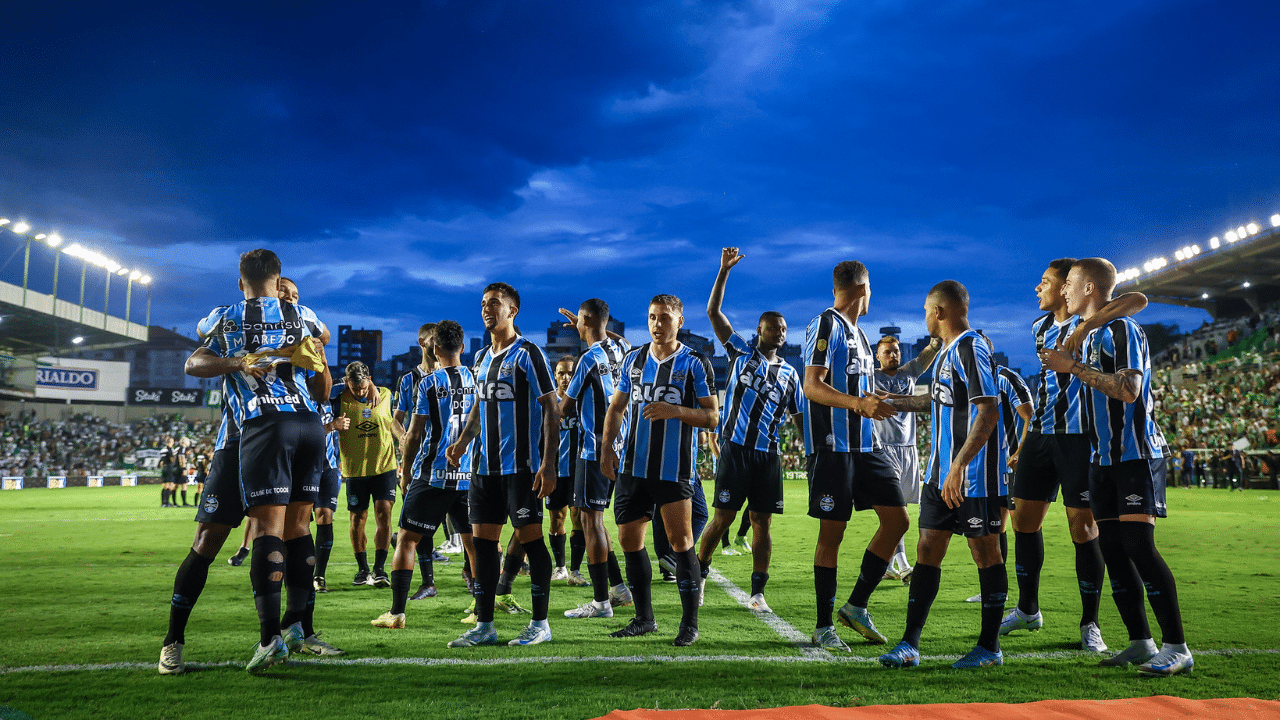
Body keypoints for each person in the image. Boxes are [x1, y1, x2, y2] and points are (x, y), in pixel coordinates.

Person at [183, 249, 333, 673]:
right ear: (279, 277)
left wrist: (241, 359)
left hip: (262, 426)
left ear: (240, 280)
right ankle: (298, 628)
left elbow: (196, 357)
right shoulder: (304, 315)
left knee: (265, 530)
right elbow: (320, 341)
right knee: (299, 528)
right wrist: (293, 349)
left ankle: (270, 639)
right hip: (309, 424)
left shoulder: (223, 316)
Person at [1040, 258, 1192, 677]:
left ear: (1089, 287)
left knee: (1139, 546)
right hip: (1100, 458)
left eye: (1069, 283)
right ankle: (1141, 641)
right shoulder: (1086, 334)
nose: (1064, 291)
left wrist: (1073, 368)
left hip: (1134, 454)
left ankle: (1177, 646)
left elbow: (1129, 389)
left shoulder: (1123, 329)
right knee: (1111, 548)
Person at [1003, 259, 1147, 652]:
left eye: (1046, 282)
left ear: (1069, 286)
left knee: (1083, 529)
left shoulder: (1094, 321)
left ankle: (1090, 623)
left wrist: (1084, 325)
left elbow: (1136, 298)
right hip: (1040, 436)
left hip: (1079, 439)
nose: (1039, 288)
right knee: (1023, 523)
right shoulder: (1040, 328)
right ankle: (1028, 609)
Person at [878, 280, 1006, 670]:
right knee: (927, 550)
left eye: (925, 311)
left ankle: (989, 648)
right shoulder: (948, 353)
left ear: (939, 312)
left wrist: (960, 465)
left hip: (971, 477)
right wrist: (893, 402)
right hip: (940, 475)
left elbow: (988, 411)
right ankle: (909, 644)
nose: (924, 317)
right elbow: (935, 402)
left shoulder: (969, 346)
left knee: (985, 552)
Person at [444, 282, 561, 648]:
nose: (487, 309)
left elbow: (552, 408)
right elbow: (480, 406)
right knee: (482, 547)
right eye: (483, 303)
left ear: (513, 311)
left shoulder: (529, 354)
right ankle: (485, 626)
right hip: (483, 469)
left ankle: (540, 623)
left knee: (532, 542)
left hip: (521, 468)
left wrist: (549, 462)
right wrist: (463, 440)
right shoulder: (479, 358)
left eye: (495, 303)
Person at [599, 294, 719, 646]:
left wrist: (675, 411)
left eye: (665, 317)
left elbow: (712, 416)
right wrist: (607, 451)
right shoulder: (634, 359)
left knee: (681, 544)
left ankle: (689, 624)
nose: (657, 324)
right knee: (628, 541)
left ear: (680, 321)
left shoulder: (696, 363)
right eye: (652, 317)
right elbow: (617, 408)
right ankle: (644, 619)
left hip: (673, 468)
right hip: (633, 467)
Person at [802, 261, 904, 651]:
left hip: (866, 444)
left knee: (897, 521)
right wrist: (857, 404)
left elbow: (859, 393)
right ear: (864, 288)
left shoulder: (860, 335)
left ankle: (856, 605)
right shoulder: (825, 325)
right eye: (872, 290)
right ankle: (823, 626)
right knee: (834, 533)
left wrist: (876, 402)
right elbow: (812, 386)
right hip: (833, 446)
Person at [696, 247, 803, 614]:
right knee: (723, 517)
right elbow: (713, 313)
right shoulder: (741, 353)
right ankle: (701, 575)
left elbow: (799, 416)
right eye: (773, 327)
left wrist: (810, 452)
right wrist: (723, 270)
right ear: (760, 330)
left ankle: (758, 592)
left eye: (784, 329)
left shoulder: (790, 374)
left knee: (761, 522)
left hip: (768, 454)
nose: (780, 332)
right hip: (736, 448)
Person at [373, 320, 479, 629]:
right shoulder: (475, 378)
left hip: (432, 474)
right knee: (475, 545)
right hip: (468, 476)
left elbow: (415, 434)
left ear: (435, 348)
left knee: (406, 539)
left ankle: (396, 613)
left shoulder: (429, 383)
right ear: (461, 346)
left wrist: (405, 472)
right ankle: (480, 610)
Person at [558, 299, 633, 617]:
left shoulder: (588, 360)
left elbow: (564, 407)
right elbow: (617, 338)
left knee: (591, 523)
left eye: (580, 322)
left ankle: (601, 602)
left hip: (593, 451)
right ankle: (618, 589)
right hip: (620, 449)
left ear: (586, 321)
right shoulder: (623, 350)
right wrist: (590, 325)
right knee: (597, 523)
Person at [872, 334, 942, 583]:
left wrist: (937, 339)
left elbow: (928, 353)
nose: (893, 355)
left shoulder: (908, 373)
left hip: (909, 449)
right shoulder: (871, 378)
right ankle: (903, 565)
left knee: (900, 507)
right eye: (888, 351)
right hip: (885, 449)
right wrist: (915, 402)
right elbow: (881, 399)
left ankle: (887, 565)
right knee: (897, 509)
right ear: (877, 355)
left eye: (896, 351)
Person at [335, 361, 405, 588]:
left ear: (370, 380)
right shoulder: (339, 398)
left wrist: (402, 439)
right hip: (355, 470)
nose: (361, 392)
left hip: (384, 467)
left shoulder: (384, 394)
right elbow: (324, 390)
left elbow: (393, 420)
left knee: (384, 513)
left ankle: (379, 569)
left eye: (364, 387)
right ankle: (362, 569)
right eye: (356, 389)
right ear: (347, 383)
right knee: (358, 519)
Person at [393, 322, 451, 597]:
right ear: (422, 342)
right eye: (433, 338)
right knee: (417, 527)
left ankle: (479, 587)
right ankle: (428, 582)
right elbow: (396, 420)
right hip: (421, 463)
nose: (436, 342)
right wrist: (403, 438)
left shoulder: (454, 377)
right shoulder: (408, 380)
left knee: (469, 530)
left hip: (454, 461)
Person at [547, 355, 579, 582]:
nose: (566, 377)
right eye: (561, 373)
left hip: (578, 470)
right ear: (555, 375)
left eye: (570, 373)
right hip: (555, 470)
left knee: (579, 518)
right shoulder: (548, 404)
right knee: (557, 518)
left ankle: (575, 570)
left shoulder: (582, 402)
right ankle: (560, 567)